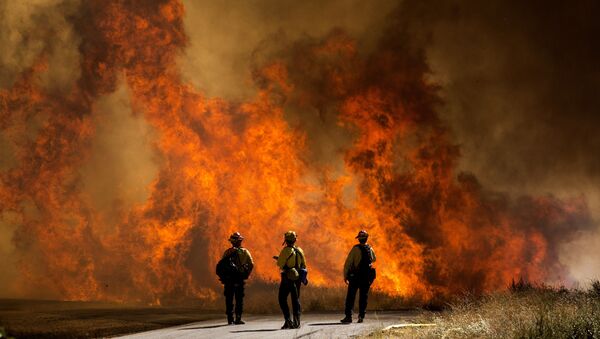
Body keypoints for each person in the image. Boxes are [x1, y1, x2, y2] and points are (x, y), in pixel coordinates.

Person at [340, 230, 376, 324]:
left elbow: (348, 263)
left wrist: (345, 275)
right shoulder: (370, 248)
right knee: (363, 297)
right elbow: (374, 259)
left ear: (359, 239)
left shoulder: (355, 249)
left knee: (351, 297)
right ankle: (361, 317)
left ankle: (348, 317)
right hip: (366, 277)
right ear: (366, 238)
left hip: (356, 277)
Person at [219, 232, 254, 325]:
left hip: (229, 279)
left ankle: (230, 319)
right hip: (239, 278)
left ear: (232, 242)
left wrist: (223, 277)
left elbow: (222, 265)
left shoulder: (227, 252)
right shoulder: (245, 252)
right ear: (240, 241)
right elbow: (251, 264)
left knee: (229, 299)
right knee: (239, 299)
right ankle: (238, 318)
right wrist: (246, 274)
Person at [275, 230, 306, 329]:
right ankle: (297, 322)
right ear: (294, 240)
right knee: (295, 299)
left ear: (286, 240)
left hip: (287, 278)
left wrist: (278, 258)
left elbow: (280, 263)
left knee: (282, 298)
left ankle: (288, 320)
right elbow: (303, 264)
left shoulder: (286, 250)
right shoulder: (299, 250)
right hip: (297, 278)